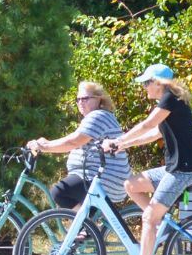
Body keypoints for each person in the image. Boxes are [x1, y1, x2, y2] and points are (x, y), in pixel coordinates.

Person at [102, 64, 192, 255]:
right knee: (131, 184)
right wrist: (122, 145)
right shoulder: (169, 104)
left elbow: (146, 124)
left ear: (159, 83)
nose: (144, 87)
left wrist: (118, 140)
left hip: (183, 171)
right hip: (172, 169)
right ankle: (159, 220)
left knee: (148, 218)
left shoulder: (171, 98)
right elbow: (151, 134)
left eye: (147, 83)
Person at [25, 81, 129, 210]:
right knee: (73, 205)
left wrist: (45, 147)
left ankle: (87, 226)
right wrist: (47, 144)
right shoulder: (98, 116)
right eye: (78, 99)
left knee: (59, 192)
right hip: (98, 177)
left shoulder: (98, 116)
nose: (80, 102)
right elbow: (74, 140)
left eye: (85, 98)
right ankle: (88, 228)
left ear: (99, 99)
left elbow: (73, 141)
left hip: (104, 178)